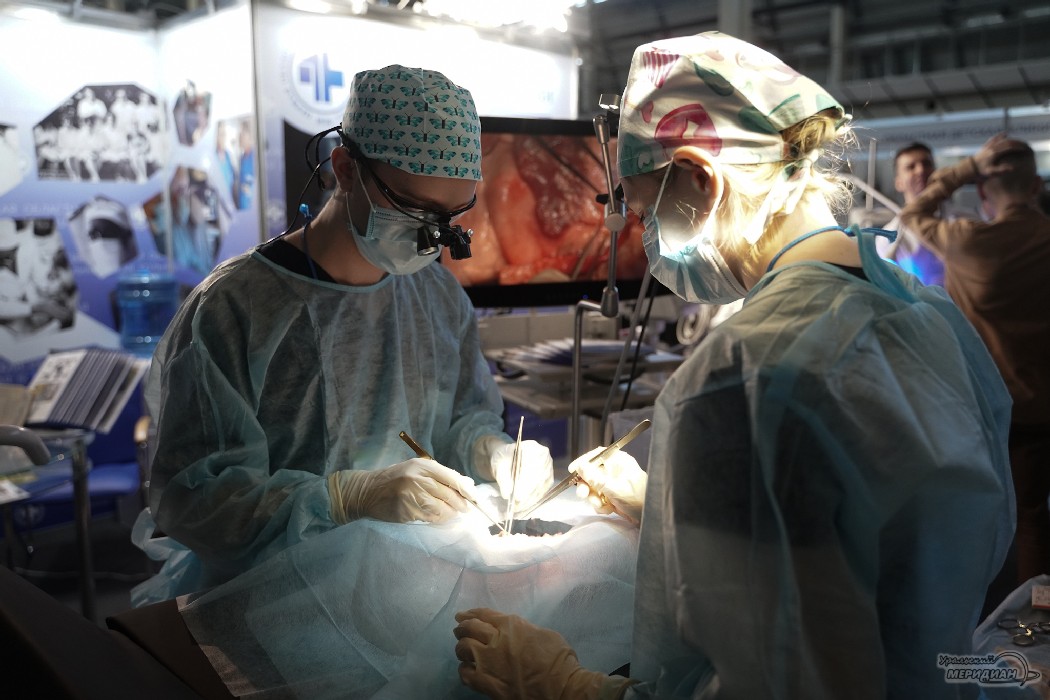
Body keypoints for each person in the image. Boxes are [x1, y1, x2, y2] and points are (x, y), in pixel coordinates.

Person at [453, 32, 1014, 699]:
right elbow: (865, 540)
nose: (648, 237)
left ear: (701, 180)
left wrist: (564, 685)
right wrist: (671, 510)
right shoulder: (928, 314)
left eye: (647, 210)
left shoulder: (741, 374)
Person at [136, 65, 553, 604]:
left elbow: (456, 422)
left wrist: (490, 451)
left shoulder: (437, 297)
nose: (431, 236)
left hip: (407, 585)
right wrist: (342, 499)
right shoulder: (234, 308)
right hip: (268, 600)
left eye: (449, 215)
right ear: (344, 168)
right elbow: (197, 500)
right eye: (413, 208)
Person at [901, 134, 1050, 590]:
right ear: (1036, 186)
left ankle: (961, 617)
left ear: (983, 191)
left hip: (981, 408)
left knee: (967, 515)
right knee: (1032, 519)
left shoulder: (966, 241)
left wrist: (967, 167)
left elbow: (913, 214)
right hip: (1040, 410)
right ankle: (1034, 620)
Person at [878, 142, 950, 286]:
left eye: (927, 164)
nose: (921, 170)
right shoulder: (888, 238)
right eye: (910, 167)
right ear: (899, 183)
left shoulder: (963, 221)